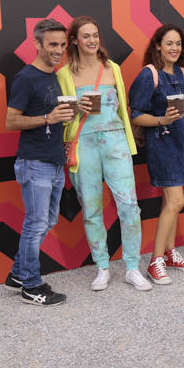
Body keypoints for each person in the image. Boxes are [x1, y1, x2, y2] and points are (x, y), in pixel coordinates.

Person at [58, 16, 148, 292]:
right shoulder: (64, 74)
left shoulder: (112, 68)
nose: (92, 40)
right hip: (84, 144)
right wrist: (76, 111)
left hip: (115, 141)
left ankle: (132, 266)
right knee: (92, 209)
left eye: (95, 35)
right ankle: (102, 267)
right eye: (85, 36)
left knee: (129, 205)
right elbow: (62, 117)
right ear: (74, 40)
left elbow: (123, 109)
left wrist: (133, 138)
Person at [3, 18, 74, 306]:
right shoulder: (26, 78)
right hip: (34, 163)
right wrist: (48, 118)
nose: (59, 50)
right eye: (53, 44)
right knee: (35, 224)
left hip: (55, 161)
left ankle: (18, 274)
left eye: (62, 44)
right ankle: (32, 286)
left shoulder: (55, 77)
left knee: (48, 220)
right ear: (37, 44)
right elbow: (10, 121)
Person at [129, 23, 184, 283]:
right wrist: (162, 120)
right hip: (163, 145)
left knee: (171, 203)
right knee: (177, 202)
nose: (174, 48)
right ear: (158, 45)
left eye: (178, 44)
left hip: (183, 145)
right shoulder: (149, 75)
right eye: (169, 43)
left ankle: (169, 253)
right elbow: (135, 114)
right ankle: (155, 261)